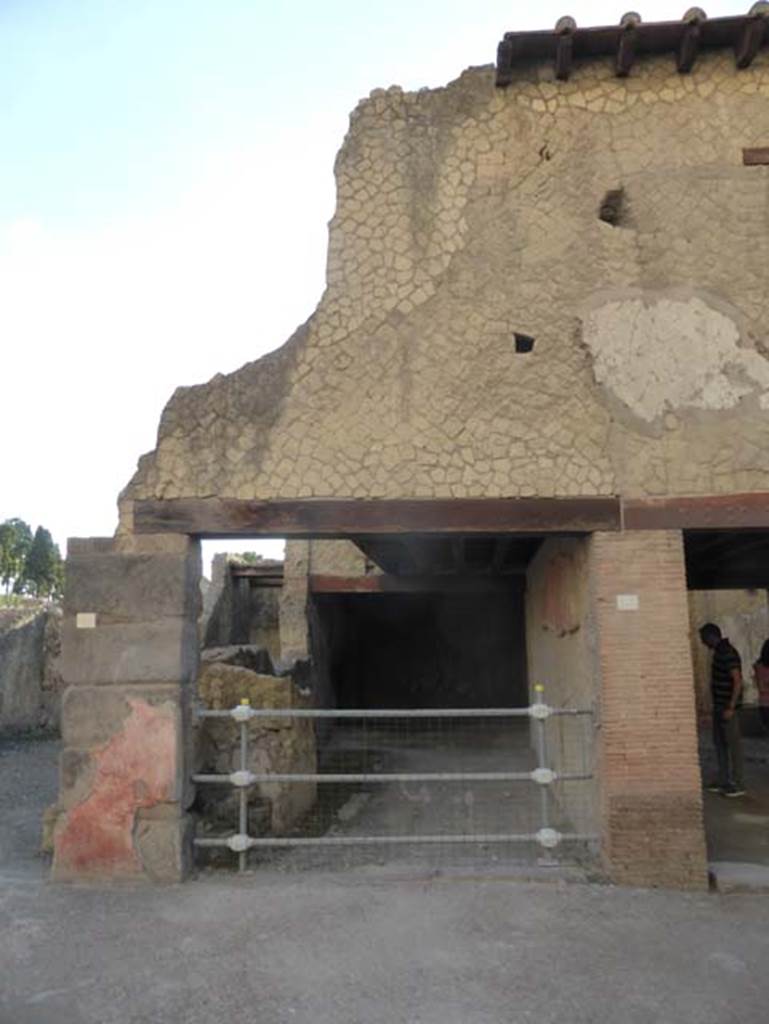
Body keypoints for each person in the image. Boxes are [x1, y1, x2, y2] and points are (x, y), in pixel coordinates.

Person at [699, 622, 745, 798]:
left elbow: (737, 681)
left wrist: (731, 707)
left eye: (704, 639)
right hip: (719, 707)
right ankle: (724, 779)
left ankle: (738, 783)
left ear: (711, 637)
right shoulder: (719, 652)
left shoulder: (727, 653)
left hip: (727, 708)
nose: (703, 643)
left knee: (734, 746)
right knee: (720, 745)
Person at [753, 639, 769, 733]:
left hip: (764, 704)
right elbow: (762, 688)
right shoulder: (760, 667)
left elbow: (762, 687)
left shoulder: (759, 666)